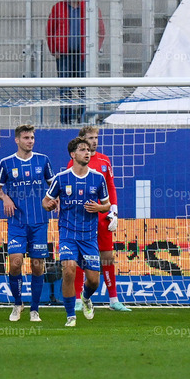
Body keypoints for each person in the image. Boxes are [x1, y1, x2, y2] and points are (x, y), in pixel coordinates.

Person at [42, 137, 110, 327]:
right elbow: (46, 201)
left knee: (94, 281)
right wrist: (49, 205)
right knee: (69, 270)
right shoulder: (61, 178)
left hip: (89, 236)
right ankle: (70, 315)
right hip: (68, 234)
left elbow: (107, 205)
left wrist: (99, 207)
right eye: (82, 149)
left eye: (88, 150)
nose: (87, 152)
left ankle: (86, 297)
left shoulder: (98, 178)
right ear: (73, 154)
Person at [0, 125, 54, 322]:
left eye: (32, 137)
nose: (30, 141)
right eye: (26, 138)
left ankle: (34, 309)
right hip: (17, 222)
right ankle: (18, 303)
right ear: (17, 140)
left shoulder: (43, 160)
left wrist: (54, 200)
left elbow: (54, 186)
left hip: (39, 222)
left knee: (37, 266)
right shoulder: (6, 163)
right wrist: (5, 198)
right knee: (15, 263)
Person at [67, 126, 130, 312]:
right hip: (83, 217)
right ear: (82, 140)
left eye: (96, 137)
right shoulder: (74, 162)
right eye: (90, 138)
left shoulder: (104, 160)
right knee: (80, 256)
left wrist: (114, 211)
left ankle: (113, 300)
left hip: (102, 215)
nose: (94, 141)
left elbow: (111, 186)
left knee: (107, 256)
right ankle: (78, 299)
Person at [46, 0, 106, 124]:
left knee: (84, 89)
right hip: (64, 55)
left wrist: (94, 51)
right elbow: (50, 30)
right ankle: (65, 121)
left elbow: (101, 31)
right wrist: (54, 50)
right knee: (65, 89)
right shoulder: (58, 8)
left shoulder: (90, 8)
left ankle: (84, 119)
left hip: (84, 56)